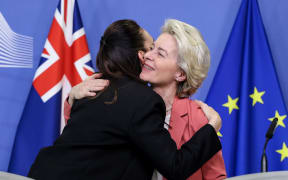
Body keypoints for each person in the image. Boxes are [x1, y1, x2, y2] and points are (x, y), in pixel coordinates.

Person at [28, 19, 221, 180]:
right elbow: (88, 140)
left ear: (180, 73)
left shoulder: (198, 118)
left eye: (159, 53)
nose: (146, 56)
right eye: (151, 48)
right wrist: (72, 97)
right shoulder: (121, 94)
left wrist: (212, 127)